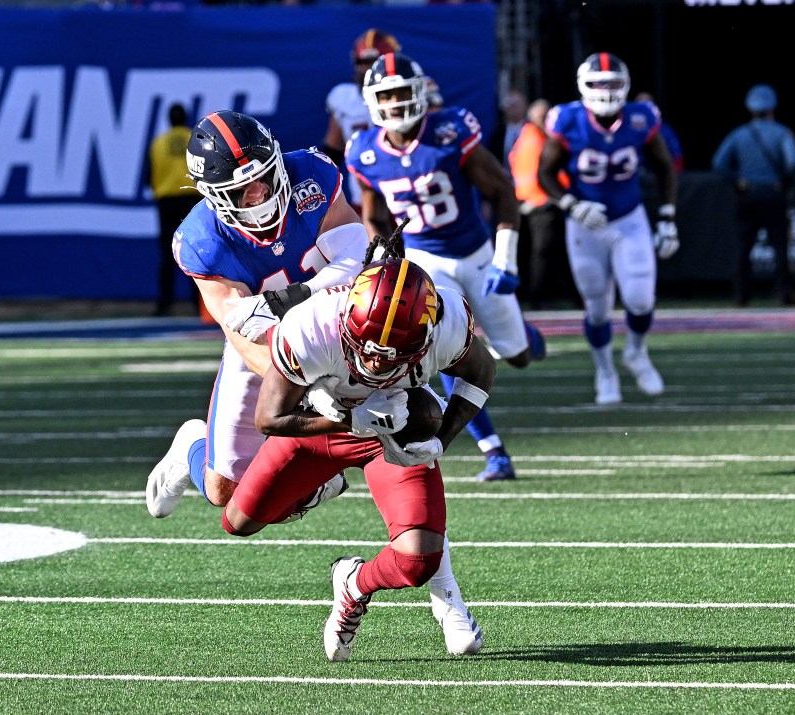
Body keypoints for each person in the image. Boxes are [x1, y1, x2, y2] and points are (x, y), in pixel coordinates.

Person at [144, 110, 482, 656]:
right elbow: (246, 334)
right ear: (216, 196)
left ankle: (448, 600)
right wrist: (306, 384)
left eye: (262, 177)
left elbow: (353, 263)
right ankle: (192, 448)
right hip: (269, 353)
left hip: (347, 325)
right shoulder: (200, 241)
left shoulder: (312, 177)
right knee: (223, 492)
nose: (258, 195)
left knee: (412, 442)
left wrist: (294, 301)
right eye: (242, 190)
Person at [220, 247, 494, 662]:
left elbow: (481, 371)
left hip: (395, 429)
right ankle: (198, 443)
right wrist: (348, 419)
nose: (373, 363)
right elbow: (270, 418)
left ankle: (355, 583)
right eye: (365, 348)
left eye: (391, 356)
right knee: (237, 521)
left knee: (417, 559)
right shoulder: (312, 327)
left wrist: (443, 441)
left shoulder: (447, 324)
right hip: (319, 425)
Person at [345, 51, 546, 483]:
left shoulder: (450, 129)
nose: (397, 105)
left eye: (404, 94)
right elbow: (373, 214)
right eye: (388, 96)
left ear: (420, 94)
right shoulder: (362, 150)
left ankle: (528, 338)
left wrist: (505, 256)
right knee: (447, 350)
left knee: (518, 355)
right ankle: (495, 452)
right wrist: (384, 262)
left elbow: (503, 190)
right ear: (372, 101)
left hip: (475, 253)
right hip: (423, 261)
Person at [537, 52, 679, 406]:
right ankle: (604, 370)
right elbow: (545, 173)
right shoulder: (568, 120)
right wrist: (573, 204)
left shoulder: (640, 118)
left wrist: (668, 216)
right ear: (584, 87)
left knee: (641, 298)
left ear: (626, 85)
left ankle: (636, 351)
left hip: (629, 218)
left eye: (613, 83)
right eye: (599, 83)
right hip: (585, 224)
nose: (606, 90)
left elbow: (665, 167)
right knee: (597, 307)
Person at [712, 84, 795, 307]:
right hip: (773, 195)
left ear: (751, 109)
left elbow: (719, 163)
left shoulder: (740, 134)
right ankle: (784, 293)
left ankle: (741, 295)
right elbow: (794, 162)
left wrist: (737, 180)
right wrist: (783, 181)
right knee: (780, 245)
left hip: (747, 196)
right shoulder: (781, 133)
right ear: (772, 108)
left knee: (743, 246)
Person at [507, 98, 576, 310]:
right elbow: (543, 174)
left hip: (530, 201)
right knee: (543, 252)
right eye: (543, 117)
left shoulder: (527, 137)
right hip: (541, 202)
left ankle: (548, 294)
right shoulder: (535, 139)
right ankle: (538, 297)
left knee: (544, 252)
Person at [322, 28, 402, 211]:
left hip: (408, 191)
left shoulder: (409, 91)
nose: (369, 70)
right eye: (363, 62)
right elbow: (333, 150)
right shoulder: (343, 98)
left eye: (375, 62)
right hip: (365, 196)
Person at [147, 103, 204, 317]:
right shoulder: (196, 139)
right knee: (198, 251)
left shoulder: (158, 142)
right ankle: (200, 304)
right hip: (192, 199)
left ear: (169, 119)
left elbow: (148, 176)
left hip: (167, 201)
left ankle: (165, 303)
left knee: (167, 253)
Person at [634, 92, 684, 172]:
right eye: (640, 108)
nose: (643, 112)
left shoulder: (665, 130)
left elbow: (677, 158)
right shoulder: (627, 130)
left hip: (660, 173)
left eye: (646, 107)